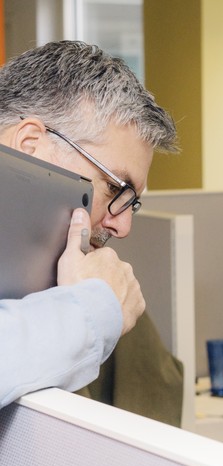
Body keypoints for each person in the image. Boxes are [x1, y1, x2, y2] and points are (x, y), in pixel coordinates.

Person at [0, 41, 178, 407]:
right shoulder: (96, 299)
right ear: (31, 146)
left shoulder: (69, 281)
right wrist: (94, 310)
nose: (123, 226)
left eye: (133, 202)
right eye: (115, 187)